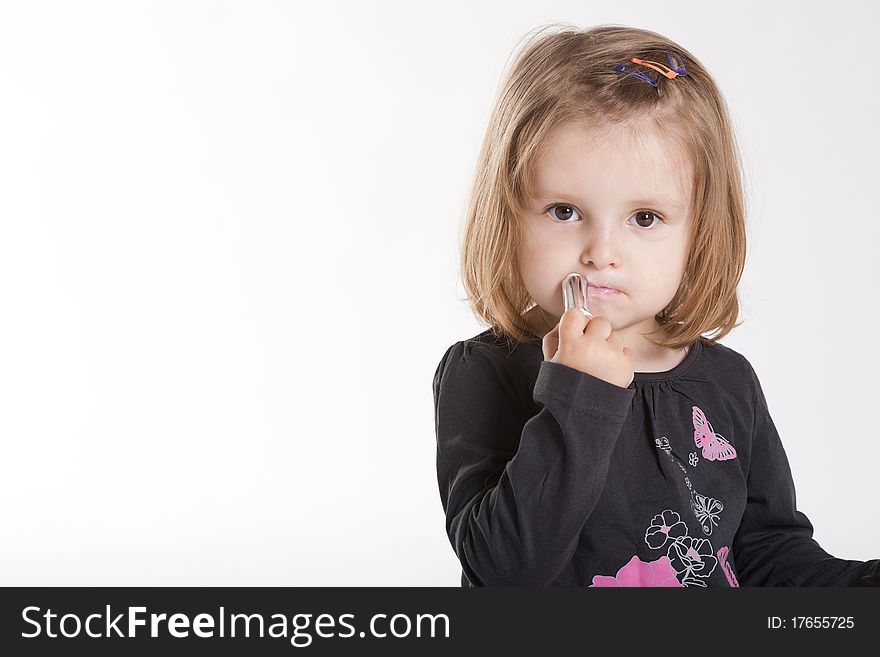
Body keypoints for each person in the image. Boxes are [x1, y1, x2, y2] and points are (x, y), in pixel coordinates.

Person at [432, 23, 880, 587]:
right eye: (565, 211)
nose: (601, 254)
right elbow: (505, 570)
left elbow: (768, 555)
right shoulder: (484, 373)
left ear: (699, 232)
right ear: (509, 215)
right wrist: (578, 396)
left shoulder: (728, 383)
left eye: (644, 219)